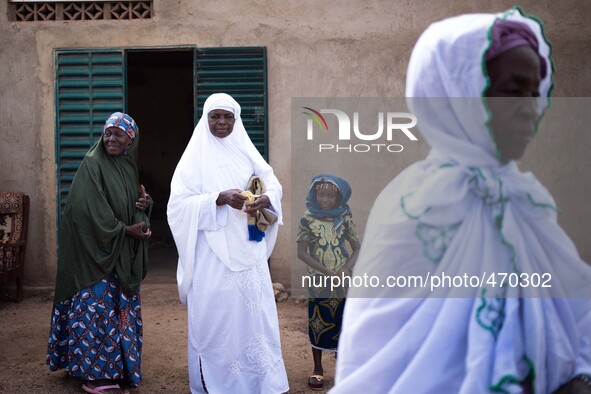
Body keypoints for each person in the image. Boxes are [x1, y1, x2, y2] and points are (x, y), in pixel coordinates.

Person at [330, 8, 591, 394]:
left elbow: (568, 315)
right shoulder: (415, 207)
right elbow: (381, 357)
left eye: (534, 93)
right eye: (511, 91)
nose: (530, 108)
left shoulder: (525, 197)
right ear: (455, 94)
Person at [167, 93, 289, 393]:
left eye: (227, 117)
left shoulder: (245, 150)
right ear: (206, 119)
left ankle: (259, 380)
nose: (221, 123)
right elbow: (177, 206)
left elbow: (271, 181)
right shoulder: (194, 158)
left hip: (248, 248)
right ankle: (216, 380)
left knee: (253, 318)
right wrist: (218, 199)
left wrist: (267, 198)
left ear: (236, 119)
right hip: (211, 254)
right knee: (215, 318)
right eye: (215, 116)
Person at [47, 112, 152, 394]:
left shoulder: (127, 167)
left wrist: (144, 205)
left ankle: (119, 369)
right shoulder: (93, 164)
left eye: (119, 133)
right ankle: (95, 376)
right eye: (108, 133)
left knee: (118, 312)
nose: (111, 139)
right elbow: (85, 210)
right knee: (96, 311)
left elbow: (128, 204)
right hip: (94, 255)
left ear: (131, 139)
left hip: (119, 254)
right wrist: (123, 230)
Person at [297, 174, 360, 391]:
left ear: (338, 197)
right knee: (318, 320)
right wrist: (325, 272)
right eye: (321, 194)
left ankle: (343, 369)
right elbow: (301, 253)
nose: (325, 199)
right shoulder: (308, 219)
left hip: (343, 281)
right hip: (318, 281)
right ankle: (318, 369)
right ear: (315, 195)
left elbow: (358, 247)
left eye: (330, 196)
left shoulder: (345, 217)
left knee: (344, 320)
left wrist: (344, 269)